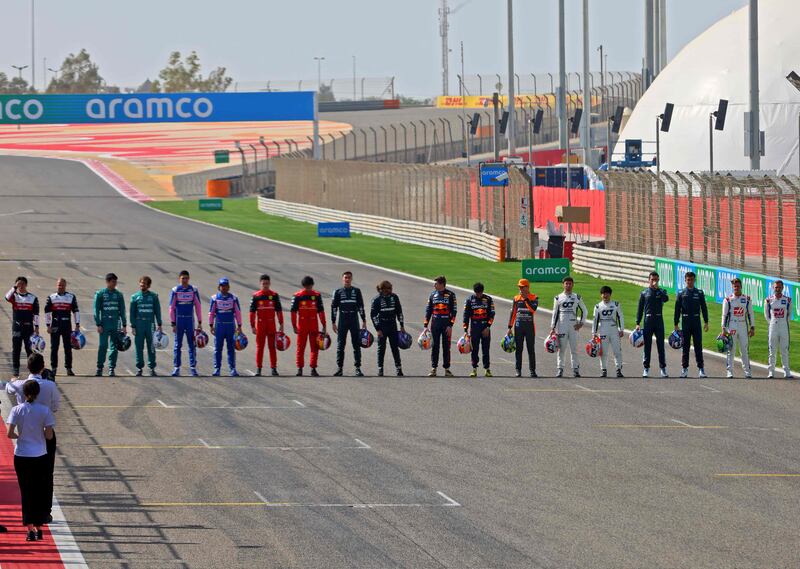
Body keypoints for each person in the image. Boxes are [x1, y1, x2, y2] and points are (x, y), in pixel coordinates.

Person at [7, 354, 60, 525]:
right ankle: (45, 511)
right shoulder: (50, 385)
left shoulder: (20, 385)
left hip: (27, 433)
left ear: (28, 367)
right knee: (47, 475)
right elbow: (55, 407)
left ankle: (30, 514)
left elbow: (8, 387)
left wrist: (14, 379)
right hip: (46, 431)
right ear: (42, 367)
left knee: (28, 480)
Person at [6, 380, 55, 542]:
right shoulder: (44, 410)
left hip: (22, 455)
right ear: (37, 393)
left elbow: (9, 433)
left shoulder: (16, 410)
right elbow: (49, 435)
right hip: (40, 455)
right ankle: (40, 527)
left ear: (23, 393)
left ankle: (29, 529)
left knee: (26, 492)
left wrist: (21, 437)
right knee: (39, 491)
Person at [549, 276, 588, 378]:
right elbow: (555, 313)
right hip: (562, 326)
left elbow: (585, 310)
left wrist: (581, 323)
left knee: (574, 349)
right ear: (563, 284)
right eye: (566, 283)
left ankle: (575, 369)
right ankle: (560, 369)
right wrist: (553, 327)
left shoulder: (577, 297)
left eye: (570, 283)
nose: (568, 285)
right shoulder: (558, 298)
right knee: (561, 349)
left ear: (573, 285)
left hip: (573, 326)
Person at [673, 271, 709, 378]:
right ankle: (684, 369)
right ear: (685, 280)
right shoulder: (681, 293)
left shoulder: (699, 293)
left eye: (692, 280)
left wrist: (706, 321)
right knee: (685, 347)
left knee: (698, 346)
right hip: (685, 322)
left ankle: (701, 369)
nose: (690, 282)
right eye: (688, 280)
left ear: (694, 280)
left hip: (696, 321)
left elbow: (704, 308)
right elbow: (677, 309)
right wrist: (676, 323)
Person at [331, 271, 367, 377]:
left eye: (349, 278)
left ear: (351, 279)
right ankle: (339, 368)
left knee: (356, 344)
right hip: (342, 319)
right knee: (340, 345)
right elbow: (334, 308)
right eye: (345, 277)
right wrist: (333, 322)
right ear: (342, 279)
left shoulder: (356, 291)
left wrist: (363, 320)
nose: (347, 279)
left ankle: (358, 368)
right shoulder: (337, 291)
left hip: (353, 319)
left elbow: (361, 306)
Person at [290, 276, 327, 377]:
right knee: (300, 347)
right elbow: (293, 312)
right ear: (304, 286)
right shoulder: (297, 296)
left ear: (312, 285)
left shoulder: (317, 295)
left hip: (313, 325)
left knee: (315, 347)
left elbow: (321, 311)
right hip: (302, 325)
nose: (308, 289)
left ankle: (313, 368)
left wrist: (324, 324)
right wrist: (294, 325)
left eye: (310, 287)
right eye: (307, 287)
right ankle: (299, 369)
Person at [169, 270, 203, 377]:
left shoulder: (193, 290)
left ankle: (193, 368)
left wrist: (200, 322)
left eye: (186, 278)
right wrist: (173, 323)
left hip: (190, 321)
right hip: (179, 321)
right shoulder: (175, 290)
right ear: (179, 279)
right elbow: (171, 308)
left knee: (192, 345)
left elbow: (198, 306)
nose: (184, 280)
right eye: (182, 278)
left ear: (189, 279)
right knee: (177, 345)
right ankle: (176, 368)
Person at [635, 271, 669, 378]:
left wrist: (657, 289)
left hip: (659, 321)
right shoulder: (644, 293)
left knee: (661, 346)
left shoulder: (661, 291)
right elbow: (640, 309)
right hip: (648, 321)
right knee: (647, 347)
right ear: (648, 280)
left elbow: (666, 299)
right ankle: (646, 368)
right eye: (652, 279)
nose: (654, 281)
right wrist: (637, 322)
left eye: (656, 279)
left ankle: (663, 369)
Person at [44, 278, 80, 378]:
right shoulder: (51, 297)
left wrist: (77, 325)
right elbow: (47, 312)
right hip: (55, 326)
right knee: (54, 348)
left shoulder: (71, 297)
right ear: (56, 285)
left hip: (67, 326)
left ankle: (69, 368)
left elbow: (76, 311)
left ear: (65, 286)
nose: (60, 287)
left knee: (68, 348)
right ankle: (54, 369)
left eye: (62, 285)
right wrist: (48, 326)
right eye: (59, 285)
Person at [249, 274, 284, 377]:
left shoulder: (274, 295)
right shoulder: (256, 296)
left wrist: (281, 323)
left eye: (267, 283)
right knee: (260, 347)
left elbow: (279, 310)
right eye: (263, 283)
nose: (265, 285)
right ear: (260, 284)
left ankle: (274, 368)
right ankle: (258, 369)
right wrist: (252, 325)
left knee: (272, 347)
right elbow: (252, 312)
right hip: (260, 325)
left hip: (271, 324)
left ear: (270, 283)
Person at [5, 277, 40, 378]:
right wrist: (14, 287)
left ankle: (32, 370)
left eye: (22, 284)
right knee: (16, 349)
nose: (20, 286)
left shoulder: (33, 298)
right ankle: (16, 371)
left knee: (29, 350)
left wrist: (37, 328)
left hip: (29, 327)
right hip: (17, 327)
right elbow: (7, 297)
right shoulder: (14, 296)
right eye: (18, 284)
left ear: (26, 285)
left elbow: (36, 314)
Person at [93, 273, 126, 377]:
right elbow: (96, 310)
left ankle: (112, 368)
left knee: (114, 347)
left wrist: (124, 325)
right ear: (108, 282)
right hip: (104, 323)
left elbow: (122, 311)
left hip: (115, 323)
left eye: (116, 282)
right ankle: (99, 367)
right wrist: (98, 324)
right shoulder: (100, 294)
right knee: (103, 345)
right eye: (113, 282)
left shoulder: (119, 295)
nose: (115, 284)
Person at [423, 276, 457, 377]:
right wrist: (425, 325)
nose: (434, 285)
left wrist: (450, 325)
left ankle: (447, 369)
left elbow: (454, 311)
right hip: (435, 325)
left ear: (442, 284)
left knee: (446, 347)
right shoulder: (432, 295)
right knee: (435, 347)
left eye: (436, 283)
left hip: (446, 325)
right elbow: (428, 310)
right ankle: (434, 369)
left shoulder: (451, 295)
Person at [722, 277, 755, 379]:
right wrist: (723, 327)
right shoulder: (728, 299)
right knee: (731, 349)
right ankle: (729, 371)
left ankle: (747, 371)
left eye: (738, 286)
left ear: (741, 286)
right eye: (734, 286)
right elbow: (724, 315)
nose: (736, 288)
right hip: (732, 326)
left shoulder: (747, 299)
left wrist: (752, 327)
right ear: (732, 287)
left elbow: (750, 314)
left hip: (743, 325)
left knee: (744, 349)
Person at [370, 280, 405, 377]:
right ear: (383, 289)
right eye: (389, 288)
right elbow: (373, 316)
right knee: (381, 348)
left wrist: (401, 326)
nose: (391, 290)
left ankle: (399, 369)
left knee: (395, 348)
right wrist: (378, 329)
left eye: (391, 288)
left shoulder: (394, 297)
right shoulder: (376, 300)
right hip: (382, 326)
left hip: (393, 325)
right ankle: (380, 369)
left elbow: (399, 312)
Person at [209, 278, 243, 377]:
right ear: (219, 287)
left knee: (231, 348)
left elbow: (238, 313)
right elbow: (211, 313)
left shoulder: (234, 298)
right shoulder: (215, 298)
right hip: (219, 326)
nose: (224, 288)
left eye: (225, 286)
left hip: (230, 326)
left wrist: (239, 326)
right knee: (218, 348)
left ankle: (232, 369)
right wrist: (211, 325)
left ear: (228, 287)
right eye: (222, 286)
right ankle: (217, 369)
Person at [130, 276, 163, 377]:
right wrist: (133, 326)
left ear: (148, 285)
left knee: (151, 347)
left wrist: (159, 324)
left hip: (150, 324)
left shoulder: (153, 296)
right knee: (139, 347)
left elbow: (157, 311)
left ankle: (152, 368)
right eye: (141, 283)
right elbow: (132, 313)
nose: (142, 285)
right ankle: (139, 368)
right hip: (139, 324)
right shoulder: (135, 297)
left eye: (144, 283)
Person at [463, 282, 495, 377]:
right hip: (475, 327)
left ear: (482, 291)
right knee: (474, 349)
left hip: (485, 327)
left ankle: (487, 369)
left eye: (480, 293)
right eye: (477, 293)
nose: (479, 295)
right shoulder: (469, 300)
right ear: (474, 292)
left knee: (486, 349)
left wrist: (488, 327)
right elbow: (466, 315)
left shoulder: (488, 299)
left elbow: (492, 314)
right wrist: (465, 330)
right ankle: (474, 369)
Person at [591, 286, 625, 378]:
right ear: (601, 295)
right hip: (603, 331)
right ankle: (604, 370)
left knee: (617, 351)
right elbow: (595, 320)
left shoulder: (616, 305)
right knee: (603, 352)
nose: (605, 295)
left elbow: (620, 317)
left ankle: (618, 370)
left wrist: (621, 329)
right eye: (603, 294)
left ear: (610, 294)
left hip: (614, 331)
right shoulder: (598, 306)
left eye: (607, 293)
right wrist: (594, 333)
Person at [508, 279, 539, 378]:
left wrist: (526, 300)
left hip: (529, 327)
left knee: (531, 350)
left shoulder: (534, 297)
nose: (520, 289)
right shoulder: (516, 298)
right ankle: (518, 370)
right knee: (519, 349)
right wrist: (509, 327)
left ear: (527, 287)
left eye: (522, 287)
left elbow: (532, 310)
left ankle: (532, 371)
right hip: (518, 327)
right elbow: (513, 313)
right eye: (519, 287)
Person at [764, 280, 793, 379]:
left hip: (784, 326)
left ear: (783, 288)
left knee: (784, 350)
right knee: (772, 349)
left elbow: (789, 314)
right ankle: (771, 372)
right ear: (773, 288)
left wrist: (785, 322)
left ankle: (787, 372)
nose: (777, 289)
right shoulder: (768, 300)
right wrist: (772, 323)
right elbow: (766, 315)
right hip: (773, 326)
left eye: (779, 287)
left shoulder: (788, 300)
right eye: (776, 287)